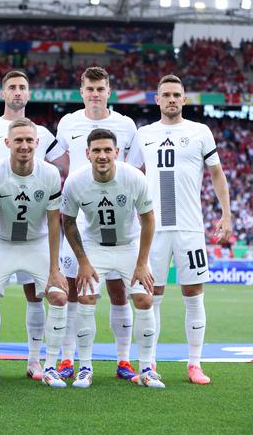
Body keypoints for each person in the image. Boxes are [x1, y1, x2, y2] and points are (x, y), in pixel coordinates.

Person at [0, 70, 68, 380]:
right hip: (3, 236)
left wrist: (54, 265)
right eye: (12, 87)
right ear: (3, 92)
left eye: (23, 87)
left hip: (34, 238)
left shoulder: (45, 144)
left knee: (42, 295)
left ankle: (40, 363)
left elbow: (58, 200)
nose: (18, 92)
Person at [136, 74, 232, 384]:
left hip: (190, 227)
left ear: (185, 99)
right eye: (166, 94)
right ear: (157, 99)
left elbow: (217, 174)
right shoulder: (144, 134)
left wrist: (226, 214)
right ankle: (148, 365)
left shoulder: (200, 132)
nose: (172, 99)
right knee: (152, 296)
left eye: (177, 94)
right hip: (154, 229)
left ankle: (194, 364)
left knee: (193, 294)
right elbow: (131, 175)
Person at [55, 66, 143, 380]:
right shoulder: (68, 122)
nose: (95, 94)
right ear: (82, 92)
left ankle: (123, 360)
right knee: (74, 292)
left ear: (109, 91)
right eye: (89, 89)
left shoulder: (125, 125)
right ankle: (68, 360)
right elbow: (61, 162)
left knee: (120, 291)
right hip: (78, 223)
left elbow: (133, 170)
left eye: (100, 89)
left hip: (118, 220)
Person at [61, 128, 164, 389]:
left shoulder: (133, 178)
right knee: (85, 297)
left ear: (117, 152)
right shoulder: (75, 181)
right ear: (87, 154)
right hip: (94, 246)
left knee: (144, 298)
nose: (102, 155)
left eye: (108, 150)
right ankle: (85, 367)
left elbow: (149, 219)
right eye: (96, 150)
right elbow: (68, 221)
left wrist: (142, 263)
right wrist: (83, 261)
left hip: (129, 246)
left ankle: (146, 369)